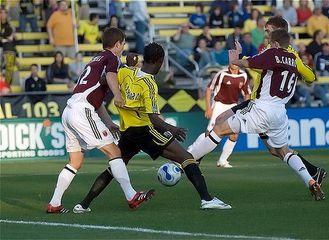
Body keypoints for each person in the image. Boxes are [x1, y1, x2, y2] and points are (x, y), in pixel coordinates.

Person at [73, 42, 231, 213]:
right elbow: (154, 119)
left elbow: (105, 79)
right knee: (186, 158)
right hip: (145, 130)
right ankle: (207, 199)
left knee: (114, 168)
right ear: (160, 60)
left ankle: (83, 204)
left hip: (127, 132)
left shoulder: (126, 72)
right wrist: (173, 129)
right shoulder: (149, 84)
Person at [188, 30, 325, 201]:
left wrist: (235, 59)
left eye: (269, 40)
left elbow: (251, 62)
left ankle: (186, 162)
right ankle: (310, 181)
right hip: (280, 112)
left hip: (261, 107)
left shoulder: (273, 53)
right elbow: (310, 77)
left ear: (275, 44)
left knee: (219, 128)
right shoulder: (294, 59)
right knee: (283, 151)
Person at [46, 27, 154, 214]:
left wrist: (109, 123)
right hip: (82, 111)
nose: (123, 47)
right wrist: (118, 95)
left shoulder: (95, 60)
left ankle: (54, 203)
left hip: (70, 110)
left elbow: (97, 101)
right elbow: (111, 77)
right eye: (123, 44)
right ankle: (131, 196)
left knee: (76, 161)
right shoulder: (112, 58)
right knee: (114, 152)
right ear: (118, 44)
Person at [236, 16, 327, 189]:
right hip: (259, 103)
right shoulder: (271, 49)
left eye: (268, 30)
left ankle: (190, 163)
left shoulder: (287, 53)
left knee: (221, 124)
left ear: (279, 31)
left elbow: (309, 75)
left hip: (260, 106)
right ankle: (313, 172)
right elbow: (308, 76)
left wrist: (242, 59)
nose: (265, 33)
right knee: (275, 150)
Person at [188, 64, 250, 168]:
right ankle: (191, 152)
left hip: (233, 106)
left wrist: (245, 109)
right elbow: (209, 89)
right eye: (232, 60)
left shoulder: (243, 75)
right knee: (209, 134)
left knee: (234, 134)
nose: (234, 64)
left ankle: (222, 160)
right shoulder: (222, 73)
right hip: (219, 104)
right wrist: (208, 108)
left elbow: (247, 93)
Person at [0, 7, 17, 86]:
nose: (3, 15)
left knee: (9, 69)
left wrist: (5, 38)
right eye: (1, 13)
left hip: (8, 49)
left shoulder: (9, 25)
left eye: (4, 13)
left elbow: (12, 38)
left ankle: (6, 86)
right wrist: (5, 38)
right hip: (2, 48)